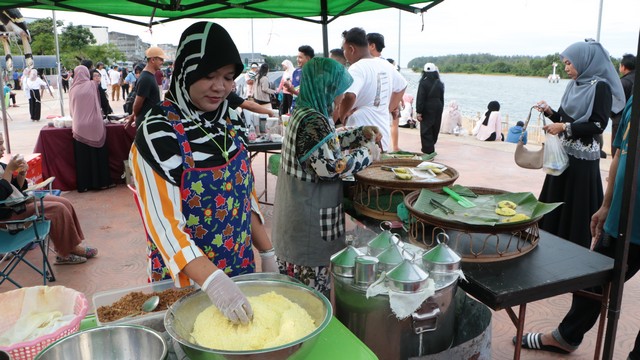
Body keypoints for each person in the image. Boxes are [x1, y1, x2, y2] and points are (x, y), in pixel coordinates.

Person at [129, 22, 277, 325]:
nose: (220, 87)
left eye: (227, 77)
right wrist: (214, 283)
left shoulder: (231, 121)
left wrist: (268, 253)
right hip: (189, 281)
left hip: (241, 268)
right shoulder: (158, 131)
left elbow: (243, 196)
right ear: (185, 71)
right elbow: (164, 226)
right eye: (208, 75)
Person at [516, 96, 639, 359]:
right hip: (624, 217)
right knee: (594, 281)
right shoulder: (634, 100)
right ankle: (567, 336)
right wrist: (607, 205)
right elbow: (620, 152)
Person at [272, 57, 380, 294]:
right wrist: (368, 153)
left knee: (294, 297)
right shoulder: (313, 121)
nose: (341, 97)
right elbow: (332, 168)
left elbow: (325, 144)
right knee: (309, 302)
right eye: (338, 91)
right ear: (327, 89)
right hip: (307, 230)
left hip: (296, 221)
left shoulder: (306, 111)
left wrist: (359, 134)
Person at [535, 40, 625, 249]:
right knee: (556, 204)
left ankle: (573, 251)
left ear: (586, 62)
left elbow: (598, 124)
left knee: (576, 209)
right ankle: (550, 245)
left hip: (582, 162)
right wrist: (549, 112)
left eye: (569, 63)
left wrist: (564, 128)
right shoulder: (572, 85)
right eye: (565, 63)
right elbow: (564, 117)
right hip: (563, 158)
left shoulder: (600, 87)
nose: (566, 68)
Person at [0, 137, 97, 265]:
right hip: (8, 214)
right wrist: (8, 171)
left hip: (19, 202)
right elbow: (1, 194)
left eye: (2, 143)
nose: (3, 148)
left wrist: (22, 174)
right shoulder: (4, 168)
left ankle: (72, 247)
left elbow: (16, 188)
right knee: (57, 209)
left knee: (64, 202)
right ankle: (65, 253)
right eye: (0, 144)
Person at [337, 27, 407, 152]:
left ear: (351, 49)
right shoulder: (385, 64)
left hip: (360, 136)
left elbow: (349, 96)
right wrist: (387, 108)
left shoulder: (357, 68)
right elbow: (402, 86)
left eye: (344, 49)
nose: (344, 53)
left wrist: (342, 116)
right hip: (382, 136)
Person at [71, 66, 113, 192]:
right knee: (97, 156)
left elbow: (72, 110)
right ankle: (101, 183)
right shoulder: (92, 85)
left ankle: (84, 185)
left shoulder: (72, 89)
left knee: (82, 158)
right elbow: (102, 102)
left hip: (79, 126)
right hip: (94, 124)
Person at [124, 47, 167, 128]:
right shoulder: (146, 78)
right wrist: (134, 117)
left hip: (150, 121)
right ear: (153, 60)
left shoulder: (149, 76)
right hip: (146, 123)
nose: (163, 62)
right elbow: (137, 103)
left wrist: (133, 116)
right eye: (161, 59)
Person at [415, 62, 445, 155]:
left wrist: (419, 111)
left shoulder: (423, 83)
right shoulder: (440, 83)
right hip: (438, 106)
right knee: (435, 127)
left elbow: (420, 97)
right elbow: (442, 98)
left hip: (427, 107)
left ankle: (428, 150)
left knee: (426, 129)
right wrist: (441, 108)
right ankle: (431, 145)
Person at [611, 53, 636, 155]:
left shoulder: (622, 82)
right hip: (632, 121)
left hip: (620, 121)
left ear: (623, 67)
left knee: (617, 152)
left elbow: (613, 105)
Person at [284, 45, 314, 113]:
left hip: (306, 112)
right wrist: (290, 89)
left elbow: (310, 97)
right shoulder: (296, 72)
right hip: (295, 109)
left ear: (308, 58)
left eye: (300, 57)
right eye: (297, 57)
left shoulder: (314, 74)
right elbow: (295, 95)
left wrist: (293, 91)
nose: (297, 59)